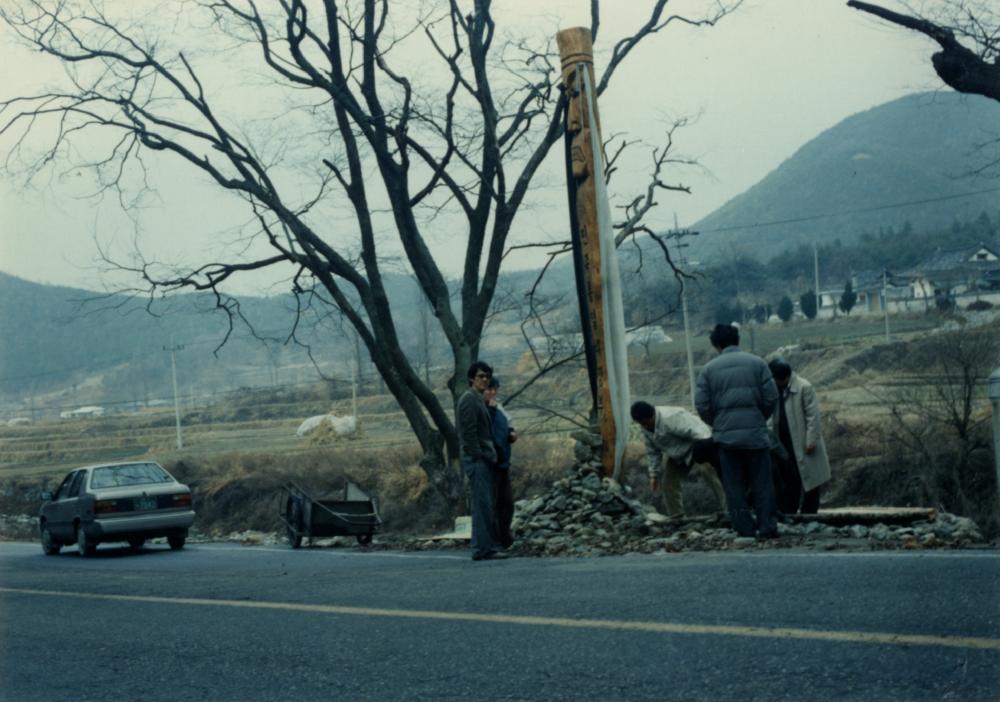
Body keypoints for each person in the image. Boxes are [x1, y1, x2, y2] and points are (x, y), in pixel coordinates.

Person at [694, 324, 780, 538]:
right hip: (756, 437)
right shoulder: (758, 363)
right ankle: (767, 527)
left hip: (727, 440)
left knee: (734, 487)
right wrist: (759, 418)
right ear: (738, 340)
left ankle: (745, 528)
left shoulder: (708, 370)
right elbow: (771, 397)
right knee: (763, 483)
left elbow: (702, 405)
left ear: (716, 345)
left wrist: (719, 423)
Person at [629, 401, 726, 517]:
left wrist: (708, 452)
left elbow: (700, 430)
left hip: (698, 443)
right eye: (642, 424)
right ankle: (677, 518)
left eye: (647, 423)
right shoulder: (645, 427)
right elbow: (653, 452)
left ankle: (730, 510)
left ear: (653, 415)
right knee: (668, 483)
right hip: (678, 453)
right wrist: (653, 475)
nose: (645, 427)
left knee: (708, 472)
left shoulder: (671, 417)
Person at [456, 360, 506, 561]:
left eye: (487, 376)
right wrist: (479, 455)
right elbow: (468, 433)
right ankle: (482, 549)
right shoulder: (469, 399)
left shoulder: (477, 398)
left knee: (485, 505)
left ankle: (485, 547)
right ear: (471, 379)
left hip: (483, 458)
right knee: (481, 505)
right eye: (480, 376)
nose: (485, 380)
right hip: (477, 460)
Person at [767, 359, 831, 515]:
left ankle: (809, 513)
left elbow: (812, 417)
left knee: (812, 479)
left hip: (803, 442)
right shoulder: (774, 390)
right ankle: (790, 511)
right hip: (784, 443)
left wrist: (811, 441)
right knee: (789, 478)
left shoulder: (804, 387)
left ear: (782, 377)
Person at [484, 377, 518, 548]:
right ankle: (494, 540)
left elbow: (509, 425)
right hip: (491, 464)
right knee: (493, 503)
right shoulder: (482, 409)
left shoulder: (498, 408)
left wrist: (512, 434)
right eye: (489, 389)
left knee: (507, 503)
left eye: (494, 389)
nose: (493, 393)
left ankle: (504, 537)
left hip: (503, 461)